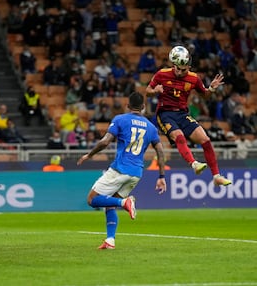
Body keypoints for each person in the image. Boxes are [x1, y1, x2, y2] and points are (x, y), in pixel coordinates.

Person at [77, 92, 167, 250]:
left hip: (120, 169)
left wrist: (89, 154)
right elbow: (160, 151)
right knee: (109, 204)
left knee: (92, 199)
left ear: (127, 105)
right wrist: (161, 176)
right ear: (144, 107)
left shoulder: (120, 119)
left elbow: (105, 142)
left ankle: (125, 202)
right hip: (136, 173)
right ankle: (110, 240)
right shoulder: (151, 127)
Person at [145, 45, 232, 186]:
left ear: (189, 67)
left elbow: (204, 95)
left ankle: (216, 176)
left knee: (205, 139)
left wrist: (211, 89)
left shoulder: (193, 78)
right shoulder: (162, 74)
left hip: (182, 113)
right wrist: (155, 91)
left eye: (183, 69)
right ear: (173, 65)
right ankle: (194, 164)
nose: (179, 72)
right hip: (165, 113)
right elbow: (147, 91)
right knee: (178, 136)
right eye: (177, 68)